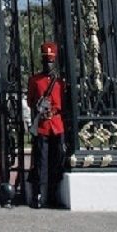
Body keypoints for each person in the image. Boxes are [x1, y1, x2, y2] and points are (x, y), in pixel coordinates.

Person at [27, 41, 65, 208]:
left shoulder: (60, 82)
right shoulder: (35, 80)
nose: (48, 64)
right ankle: (39, 195)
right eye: (45, 61)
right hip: (43, 125)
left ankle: (54, 194)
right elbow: (30, 101)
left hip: (57, 124)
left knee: (57, 160)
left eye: (50, 61)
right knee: (41, 162)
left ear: (54, 61)